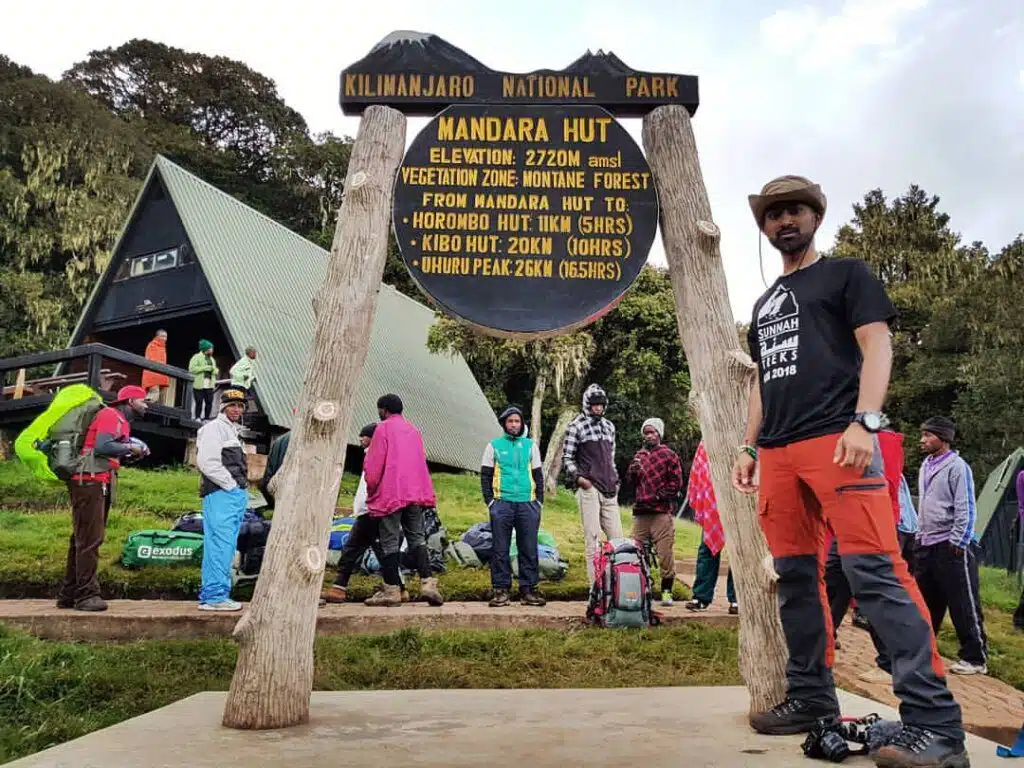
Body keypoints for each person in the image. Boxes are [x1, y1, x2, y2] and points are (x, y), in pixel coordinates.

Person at [732, 174, 967, 766]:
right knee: (794, 578)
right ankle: (813, 699)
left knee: (875, 574)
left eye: (796, 211)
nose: (785, 221)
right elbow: (763, 380)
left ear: (815, 217)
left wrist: (866, 421)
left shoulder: (846, 274)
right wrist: (747, 446)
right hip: (779, 454)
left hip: (840, 441)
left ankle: (936, 726)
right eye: (774, 214)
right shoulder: (763, 305)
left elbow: (878, 343)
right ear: (764, 226)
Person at [58, 385, 149, 612]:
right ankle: (86, 595)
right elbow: (102, 446)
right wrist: (131, 447)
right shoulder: (112, 415)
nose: (147, 405)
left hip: (95, 480)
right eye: (143, 401)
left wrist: (128, 453)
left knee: (82, 537)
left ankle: (68, 593)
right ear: (129, 401)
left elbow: (108, 450)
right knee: (90, 539)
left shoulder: (120, 421)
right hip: (90, 481)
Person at [915, 416, 988, 676]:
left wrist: (959, 539)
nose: (922, 440)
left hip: (952, 545)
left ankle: (975, 657)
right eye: (922, 435)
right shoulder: (926, 465)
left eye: (928, 435)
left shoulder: (958, 467)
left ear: (943, 438)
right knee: (927, 601)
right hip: (927, 542)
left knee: (962, 603)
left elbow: (966, 506)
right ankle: (925, 651)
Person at [363, 394, 442, 607]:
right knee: (417, 537)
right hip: (414, 492)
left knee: (389, 541)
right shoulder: (414, 430)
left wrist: (371, 489)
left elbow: (375, 464)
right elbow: (420, 461)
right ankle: (428, 583)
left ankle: (391, 590)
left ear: (384, 409)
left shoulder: (383, 429)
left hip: (391, 492)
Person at [322, 423, 408, 603]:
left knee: (353, 548)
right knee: (382, 551)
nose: (361, 438)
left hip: (371, 511)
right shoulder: (379, 454)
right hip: (373, 510)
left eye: (365, 435)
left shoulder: (377, 455)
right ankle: (399, 588)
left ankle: (339, 587)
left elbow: (372, 484)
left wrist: (368, 506)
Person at [480, 406, 546, 608]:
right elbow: (485, 475)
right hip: (502, 504)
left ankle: (529, 590)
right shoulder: (494, 446)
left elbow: (538, 475)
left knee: (529, 548)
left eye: (517, 421)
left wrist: (538, 501)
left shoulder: (530, 446)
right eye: (510, 421)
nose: (514, 425)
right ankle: (501, 591)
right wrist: (491, 502)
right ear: (504, 424)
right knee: (500, 549)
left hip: (527, 504)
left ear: (522, 423)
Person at [563, 383, 622, 584]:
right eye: (594, 404)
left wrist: (615, 478)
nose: (598, 408)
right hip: (589, 488)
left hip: (610, 489)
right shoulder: (575, 426)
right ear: (587, 404)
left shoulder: (610, 427)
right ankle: (595, 589)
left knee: (618, 541)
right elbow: (568, 458)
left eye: (601, 405)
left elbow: (611, 457)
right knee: (593, 540)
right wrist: (580, 479)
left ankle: (616, 588)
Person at [196, 388, 249, 611]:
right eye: (232, 405)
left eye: (240, 406)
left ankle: (216, 594)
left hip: (231, 496)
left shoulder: (232, 431)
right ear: (223, 407)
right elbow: (207, 462)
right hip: (222, 494)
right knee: (220, 544)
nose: (236, 409)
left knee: (225, 546)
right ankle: (215, 596)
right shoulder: (214, 429)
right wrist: (231, 485)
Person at [625, 417, 683, 606]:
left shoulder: (669, 455)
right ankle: (642, 588)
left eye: (652, 432)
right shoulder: (639, 455)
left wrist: (659, 496)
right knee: (635, 551)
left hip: (660, 511)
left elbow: (676, 483)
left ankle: (666, 591)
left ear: (659, 434)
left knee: (664, 553)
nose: (649, 435)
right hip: (641, 512)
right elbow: (630, 484)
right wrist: (632, 472)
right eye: (646, 432)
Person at [684, 441, 737, 614]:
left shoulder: (744, 431)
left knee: (738, 552)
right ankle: (701, 597)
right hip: (713, 500)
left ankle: (737, 599)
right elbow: (700, 470)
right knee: (707, 549)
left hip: (739, 499)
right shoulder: (707, 440)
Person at [188, 340, 218, 421]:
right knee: (199, 401)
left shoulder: (212, 359)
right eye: (210, 349)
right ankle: (197, 417)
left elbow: (215, 370)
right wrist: (204, 368)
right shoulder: (196, 357)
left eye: (212, 349)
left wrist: (214, 370)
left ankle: (206, 418)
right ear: (205, 349)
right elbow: (192, 369)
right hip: (199, 383)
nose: (212, 350)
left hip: (209, 383)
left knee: (209, 402)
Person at [141, 330, 169, 403]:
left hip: (161, 374)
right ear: (157, 336)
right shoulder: (152, 345)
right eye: (162, 336)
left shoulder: (163, 348)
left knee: (162, 397)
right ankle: (144, 406)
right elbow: (150, 360)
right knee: (154, 394)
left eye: (166, 337)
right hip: (153, 374)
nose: (165, 339)